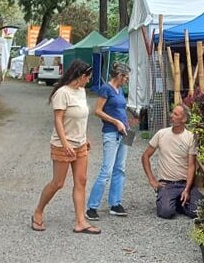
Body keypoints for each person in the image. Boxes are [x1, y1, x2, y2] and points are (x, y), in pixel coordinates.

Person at [32, 60, 101, 234]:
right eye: (88, 77)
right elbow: (58, 120)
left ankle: (80, 221)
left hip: (80, 144)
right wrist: (65, 143)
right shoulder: (62, 93)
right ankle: (38, 211)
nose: (88, 81)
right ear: (80, 76)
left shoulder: (82, 92)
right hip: (62, 144)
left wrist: (85, 138)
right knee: (58, 183)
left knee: (81, 181)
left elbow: (81, 118)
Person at [85, 62, 131, 221]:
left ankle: (115, 203)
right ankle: (92, 206)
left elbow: (120, 109)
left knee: (121, 168)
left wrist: (125, 123)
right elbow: (97, 111)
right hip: (112, 133)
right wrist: (115, 122)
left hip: (124, 132)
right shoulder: (106, 89)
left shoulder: (119, 90)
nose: (127, 80)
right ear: (120, 76)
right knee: (107, 170)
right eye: (126, 77)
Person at [141, 104, 202, 219]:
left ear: (184, 119)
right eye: (172, 113)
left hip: (185, 183)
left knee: (198, 211)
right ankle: (172, 201)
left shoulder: (191, 137)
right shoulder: (161, 134)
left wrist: (187, 189)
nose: (171, 116)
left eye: (175, 114)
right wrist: (152, 180)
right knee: (166, 212)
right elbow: (145, 156)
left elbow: (191, 166)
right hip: (167, 184)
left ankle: (178, 202)